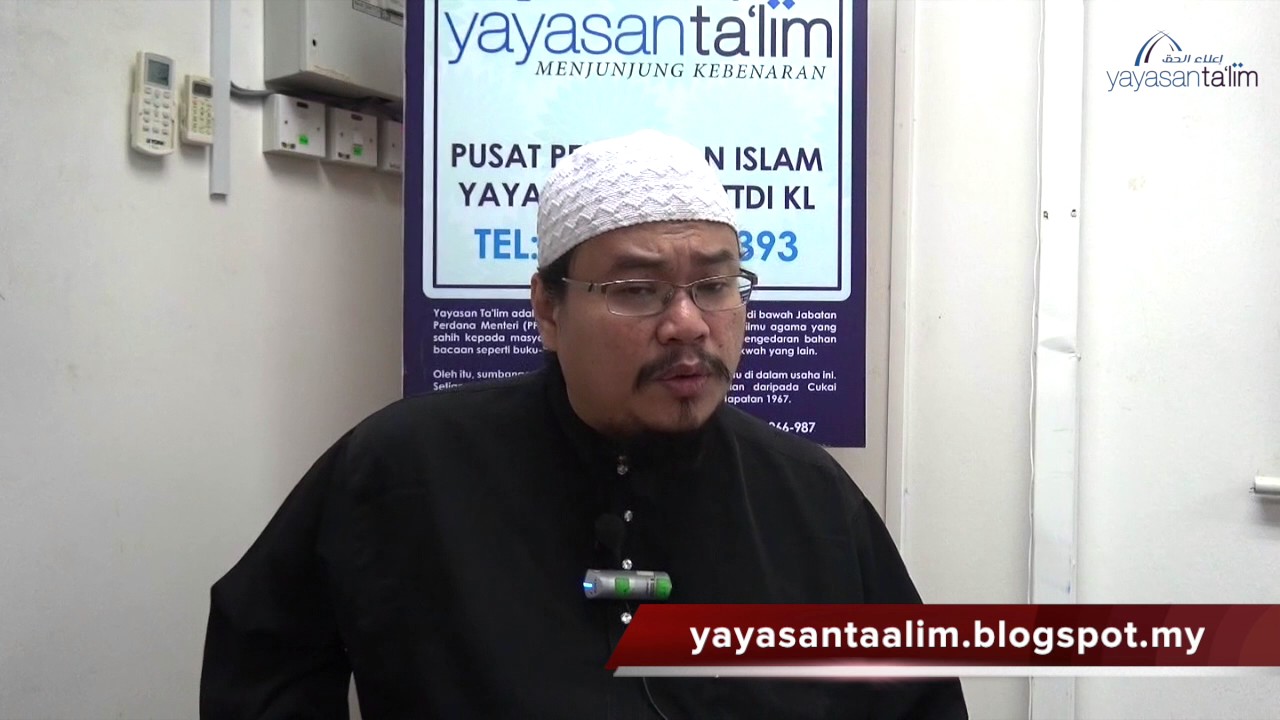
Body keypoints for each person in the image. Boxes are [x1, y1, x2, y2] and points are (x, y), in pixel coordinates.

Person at [200, 130, 967, 719]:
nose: (687, 323)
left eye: (715, 284)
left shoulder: (808, 499)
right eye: (637, 289)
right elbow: (263, 653)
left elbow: (918, 700)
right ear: (548, 308)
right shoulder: (409, 469)